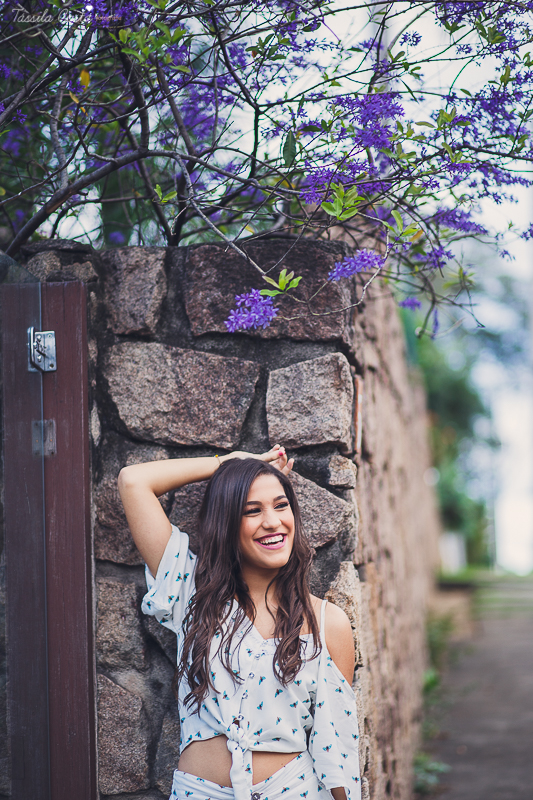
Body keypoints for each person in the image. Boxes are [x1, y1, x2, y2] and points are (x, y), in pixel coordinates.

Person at [119, 445, 361, 800]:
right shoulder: (191, 594)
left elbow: (335, 747)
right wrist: (229, 462)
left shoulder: (326, 623)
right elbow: (133, 481)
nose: (272, 521)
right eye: (252, 510)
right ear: (227, 524)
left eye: (281, 505)